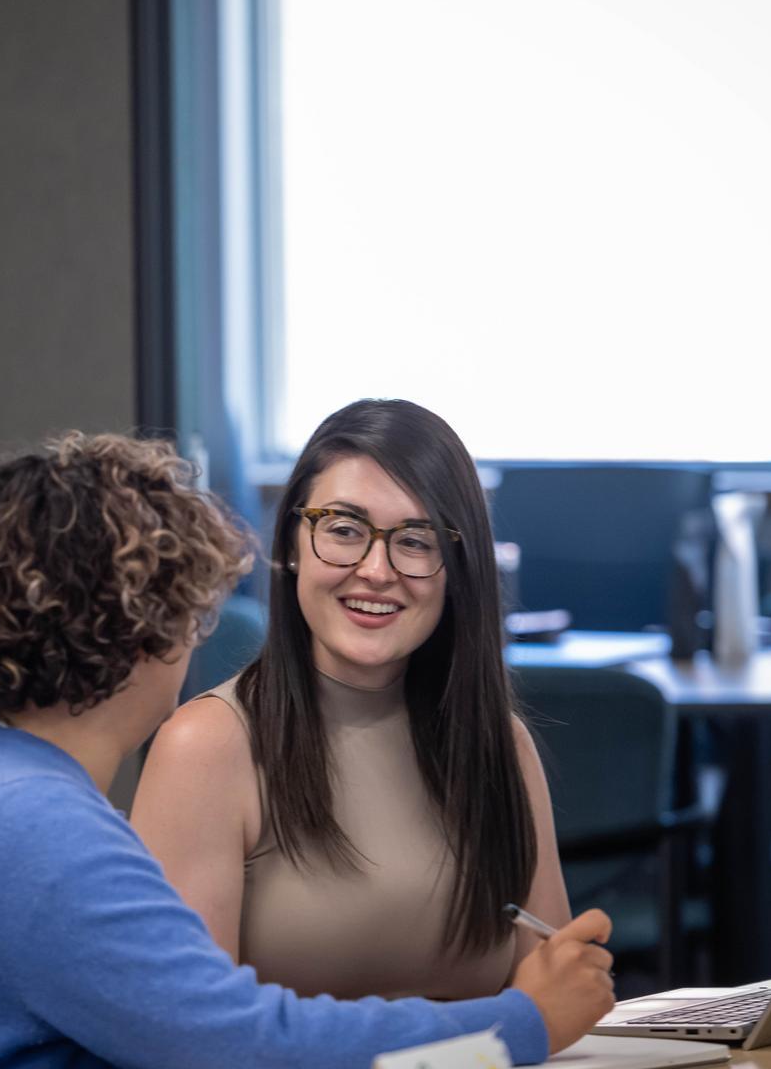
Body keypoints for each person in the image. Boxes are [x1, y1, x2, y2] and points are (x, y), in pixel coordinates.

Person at [0, 431, 613, 1069]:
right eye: (188, 613)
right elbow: (238, 1045)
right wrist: (518, 1022)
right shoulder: (31, 821)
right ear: (146, 633)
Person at [131, 398, 579, 1005]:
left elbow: (551, 1006)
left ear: (457, 567)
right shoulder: (207, 746)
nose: (375, 569)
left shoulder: (501, 745)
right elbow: (189, 1034)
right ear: (290, 544)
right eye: (344, 531)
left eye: (416, 541)